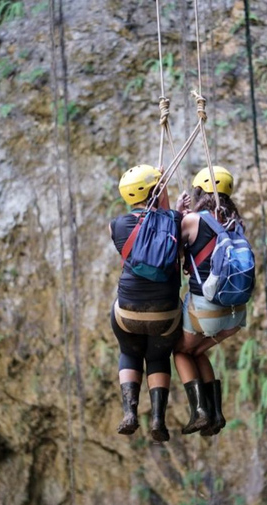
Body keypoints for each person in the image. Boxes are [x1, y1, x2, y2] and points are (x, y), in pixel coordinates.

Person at [109, 164, 183, 442]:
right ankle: (157, 420)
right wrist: (166, 196)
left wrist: (158, 191)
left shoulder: (115, 225)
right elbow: (163, 222)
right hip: (165, 315)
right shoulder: (175, 220)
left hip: (128, 310)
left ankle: (129, 412)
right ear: (157, 190)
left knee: (129, 352)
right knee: (157, 357)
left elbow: (145, 225)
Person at [174, 166, 247, 436]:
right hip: (236, 313)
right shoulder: (235, 222)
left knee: (181, 351)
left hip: (207, 310)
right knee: (197, 351)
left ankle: (200, 412)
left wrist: (178, 215)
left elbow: (171, 249)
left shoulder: (193, 220)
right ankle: (215, 414)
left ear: (197, 192)